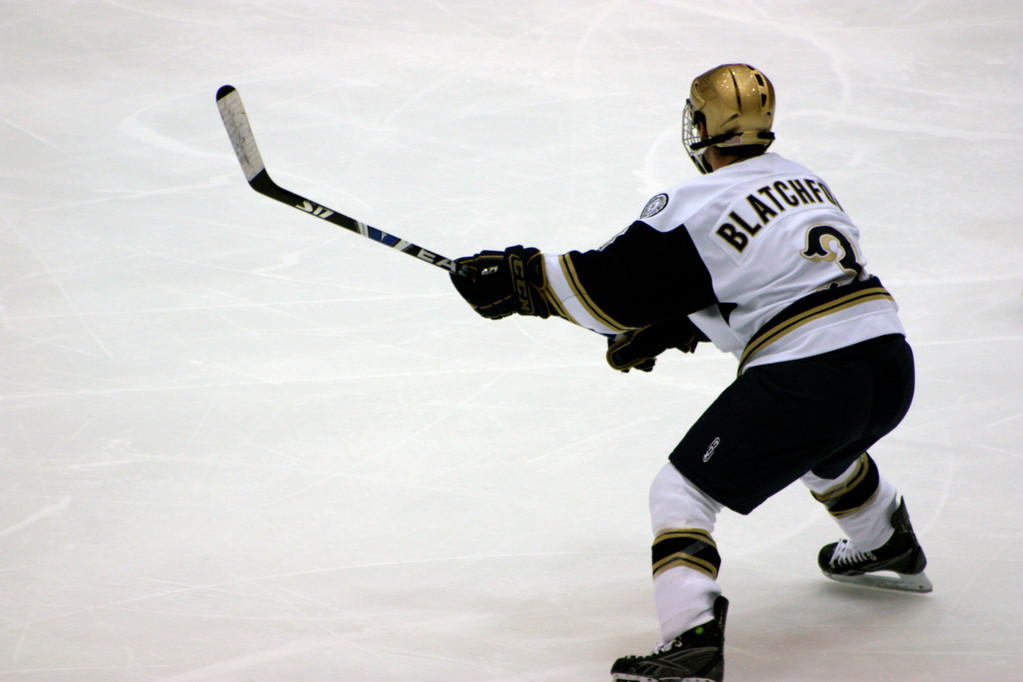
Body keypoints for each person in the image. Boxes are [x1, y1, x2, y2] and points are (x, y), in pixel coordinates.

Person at [449, 63, 931, 682]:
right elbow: (773, 282)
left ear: (704, 126)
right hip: (890, 364)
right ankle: (882, 537)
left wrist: (520, 277)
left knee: (680, 491)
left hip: (810, 377)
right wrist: (680, 325)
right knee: (824, 441)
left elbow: (608, 294)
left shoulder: (695, 200)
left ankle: (691, 638)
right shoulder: (806, 180)